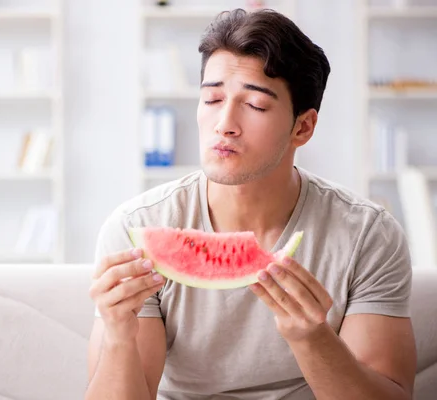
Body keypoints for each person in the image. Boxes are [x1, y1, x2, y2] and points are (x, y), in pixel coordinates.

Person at [86, 8, 416, 400]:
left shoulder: (367, 234)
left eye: (255, 106)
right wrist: (119, 337)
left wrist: (313, 338)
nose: (224, 123)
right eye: (211, 99)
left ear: (302, 127)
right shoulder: (136, 228)